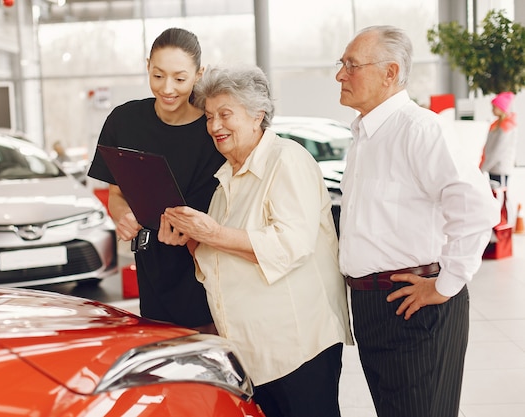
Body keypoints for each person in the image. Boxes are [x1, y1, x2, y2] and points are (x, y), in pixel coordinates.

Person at [158, 65, 353, 417]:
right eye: (209, 116)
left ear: (257, 115)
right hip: (254, 354)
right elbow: (219, 260)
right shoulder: (226, 180)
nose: (215, 126)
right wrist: (189, 237)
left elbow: (291, 243)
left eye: (225, 115)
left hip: (297, 349)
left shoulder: (287, 160)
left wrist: (212, 233)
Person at [335, 25, 499, 417]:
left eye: (351, 65)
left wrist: (447, 284)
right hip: (374, 306)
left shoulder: (419, 128)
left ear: (390, 73)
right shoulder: (365, 136)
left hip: (415, 304)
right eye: (341, 64)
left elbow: (476, 205)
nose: (340, 74)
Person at [87, 28, 225, 333]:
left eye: (180, 78)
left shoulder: (214, 128)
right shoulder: (124, 121)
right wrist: (123, 216)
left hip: (209, 268)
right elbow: (117, 194)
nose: (168, 88)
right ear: (147, 65)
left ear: (199, 74)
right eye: (158, 75)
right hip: (154, 271)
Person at [481, 91, 518, 223]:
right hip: (493, 168)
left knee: (501, 199)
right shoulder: (497, 125)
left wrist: (483, 168)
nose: (492, 109)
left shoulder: (507, 126)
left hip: (500, 169)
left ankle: (504, 226)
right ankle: (499, 225)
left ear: (501, 108)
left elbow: (497, 151)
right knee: (496, 199)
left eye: (494, 107)